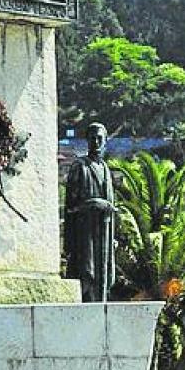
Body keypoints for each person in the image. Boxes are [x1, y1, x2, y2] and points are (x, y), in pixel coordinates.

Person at [64, 123, 116, 302]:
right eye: (92, 138)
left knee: (104, 277)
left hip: (104, 232)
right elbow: (70, 206)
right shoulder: (80, 166)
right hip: (85, 232)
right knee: (86, 275)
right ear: (87, 140)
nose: (96, 142)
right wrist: (93, 203)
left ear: (105, 140)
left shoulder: (106, 169)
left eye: (99, 138)